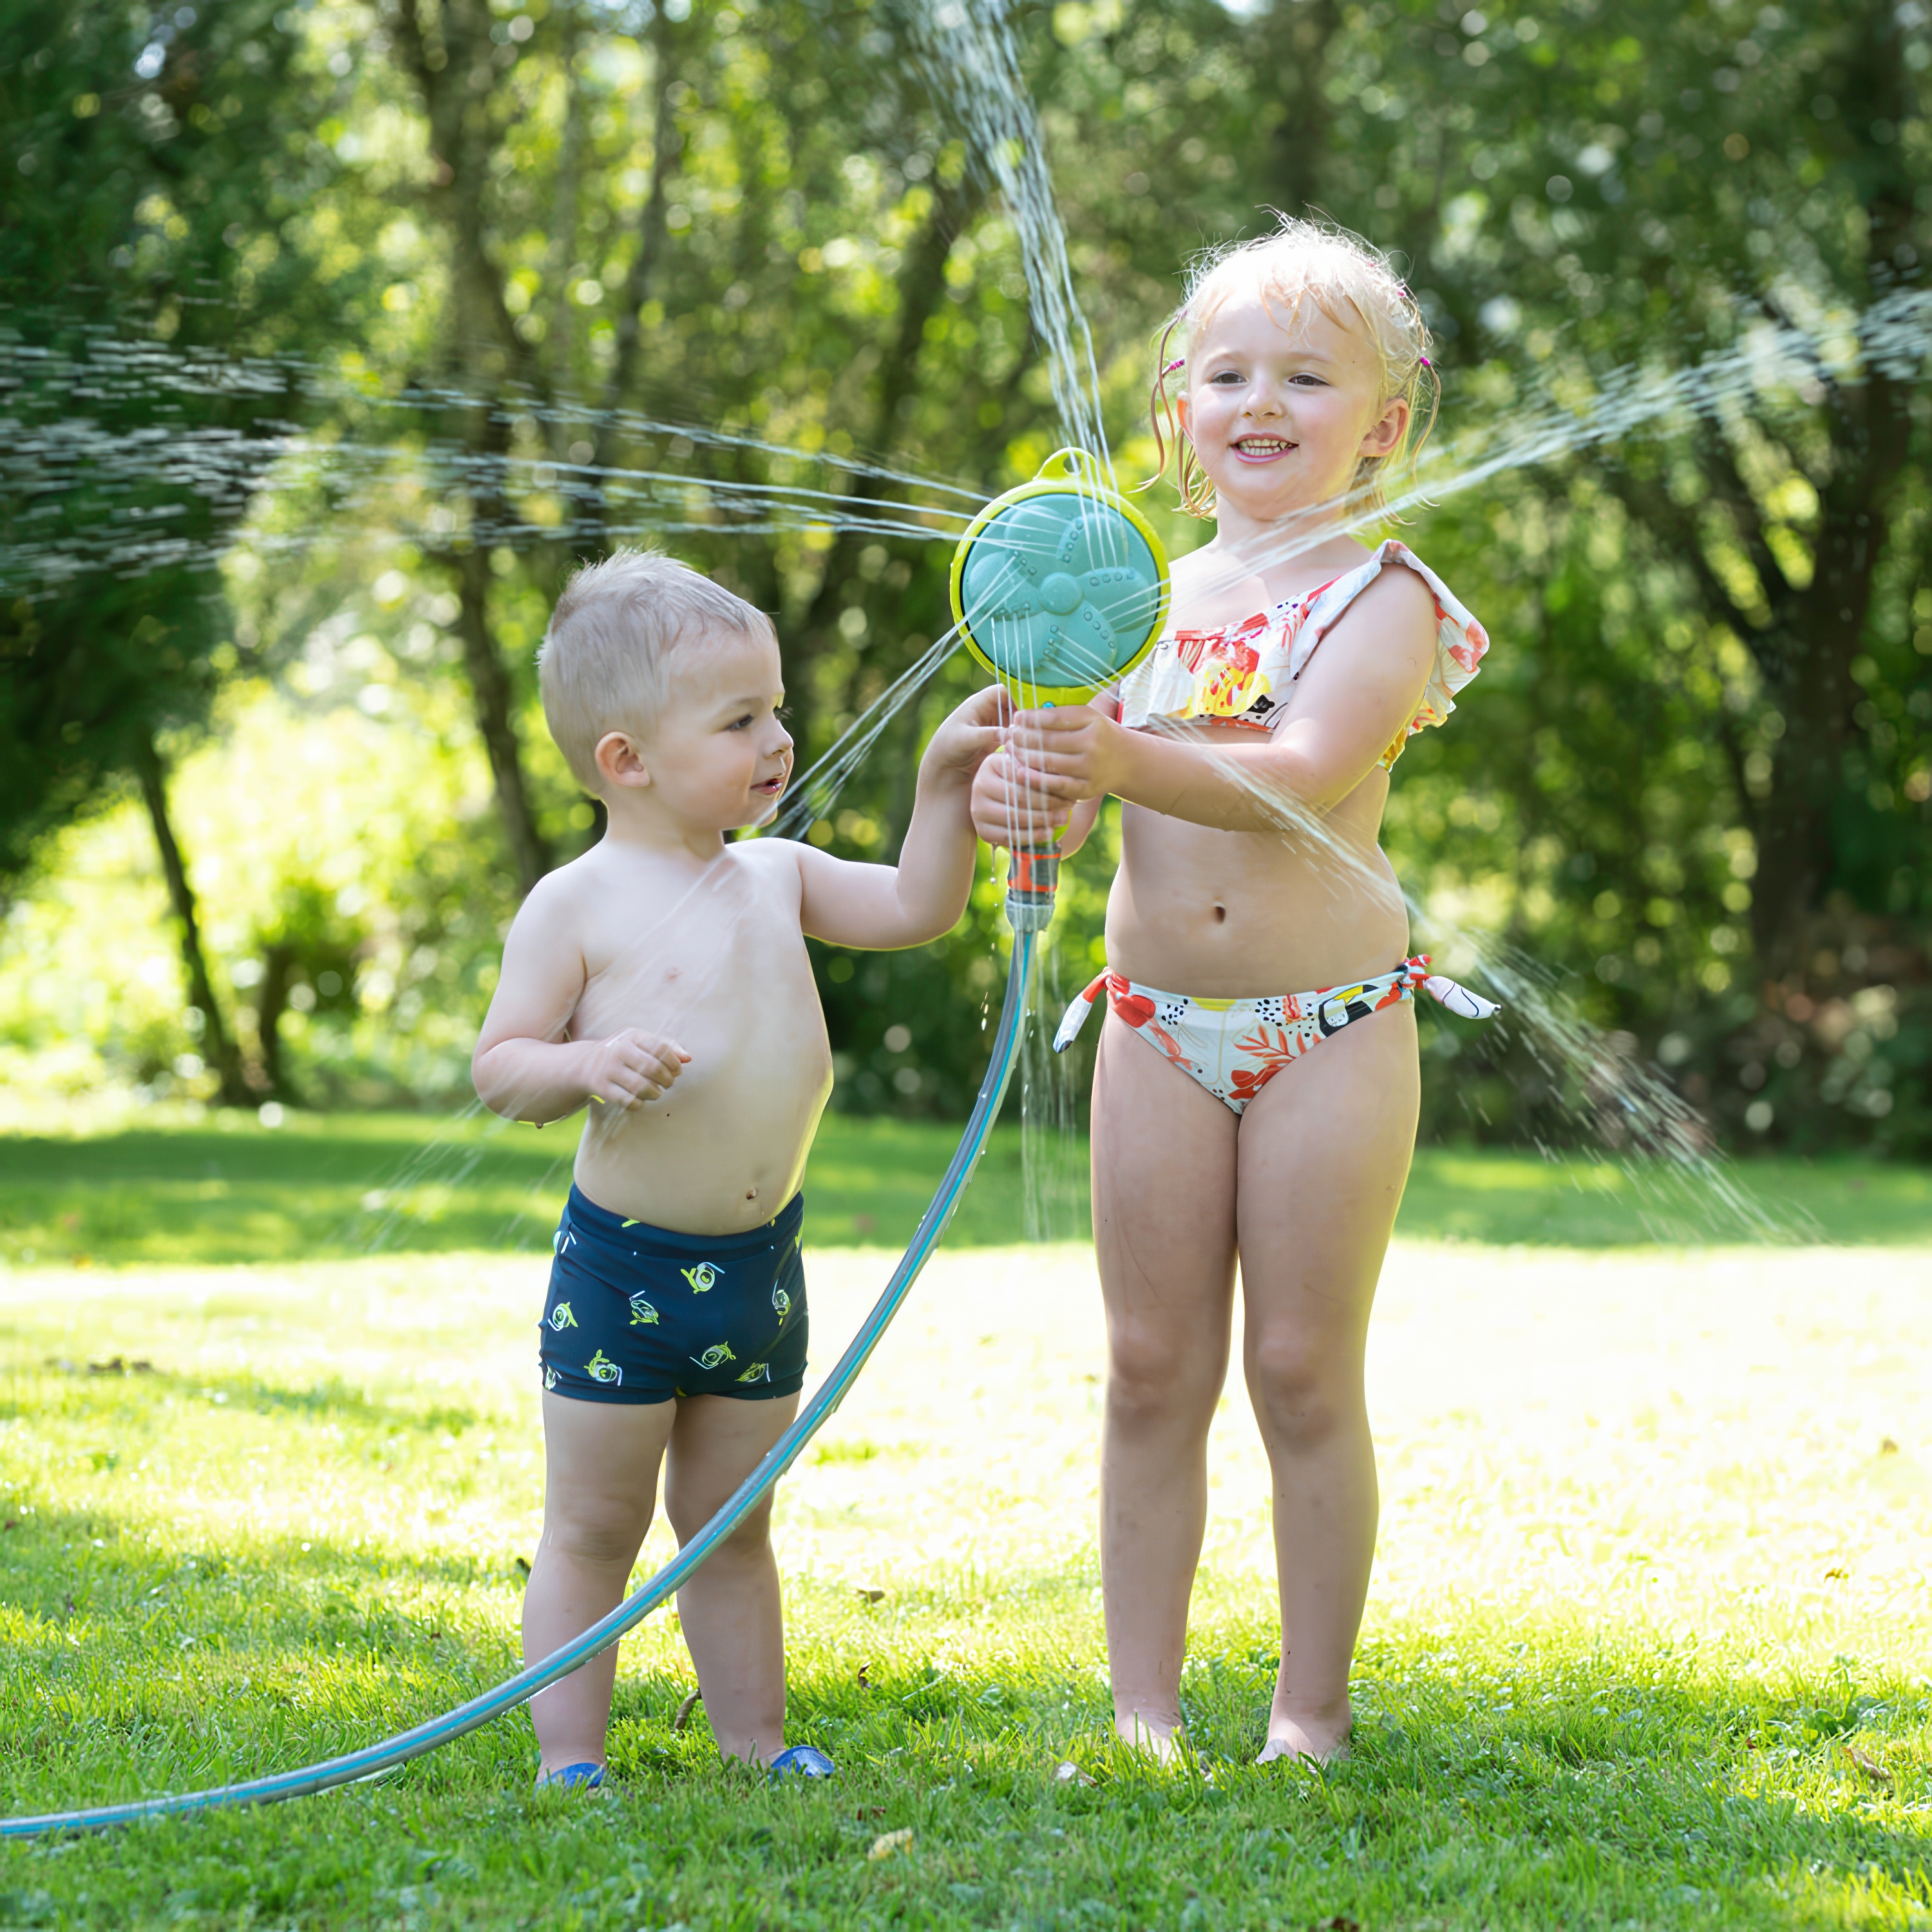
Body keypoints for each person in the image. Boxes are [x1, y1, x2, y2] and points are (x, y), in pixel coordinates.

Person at [971, 218, 1493, 1766]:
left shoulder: (1384, 599)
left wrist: (1115, 753)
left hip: (1328, 1030)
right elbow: (1079, 793)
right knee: (1150, 1368)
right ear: (1180, 410)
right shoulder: (1132, 599)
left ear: (1382, 423)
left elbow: (1305, 773)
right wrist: (1027, 789)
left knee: (1298, 1369)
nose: (1263, 402)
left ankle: (1308, 1714)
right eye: (1229, 376)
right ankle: (1143, 1709)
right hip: (1155, 1027)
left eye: (1308, 379)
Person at [473, 550, 1000, 1788]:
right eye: (740, 719)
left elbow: (916, 906)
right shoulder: (575, 904)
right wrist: (587, 1063)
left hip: (760, 1272)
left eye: (776, 709)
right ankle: (570, 1756)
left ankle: (754, 1742)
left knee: (732, 1529)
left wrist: (943, 783)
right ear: (628, 759)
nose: (779, 738)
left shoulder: (777, 872)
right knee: (595, 1528)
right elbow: (501, 1068)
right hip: (624, 1279)